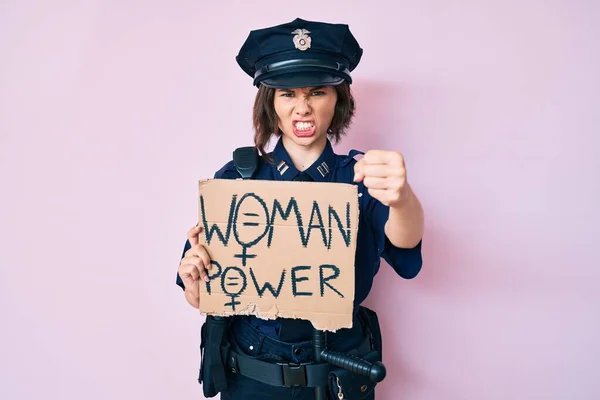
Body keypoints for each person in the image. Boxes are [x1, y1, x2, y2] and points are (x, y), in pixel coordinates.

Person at [176, 17, 424, 399]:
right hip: (252, 375)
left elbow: (405, 245)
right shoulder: (237, 181)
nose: (302, 108)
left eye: (317, 92)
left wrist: (402, 196)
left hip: (338, 370)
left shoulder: (360, 177)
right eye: (287, 94)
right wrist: (195, 286)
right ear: (270, 104)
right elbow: (203, 290)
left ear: (337, 99)